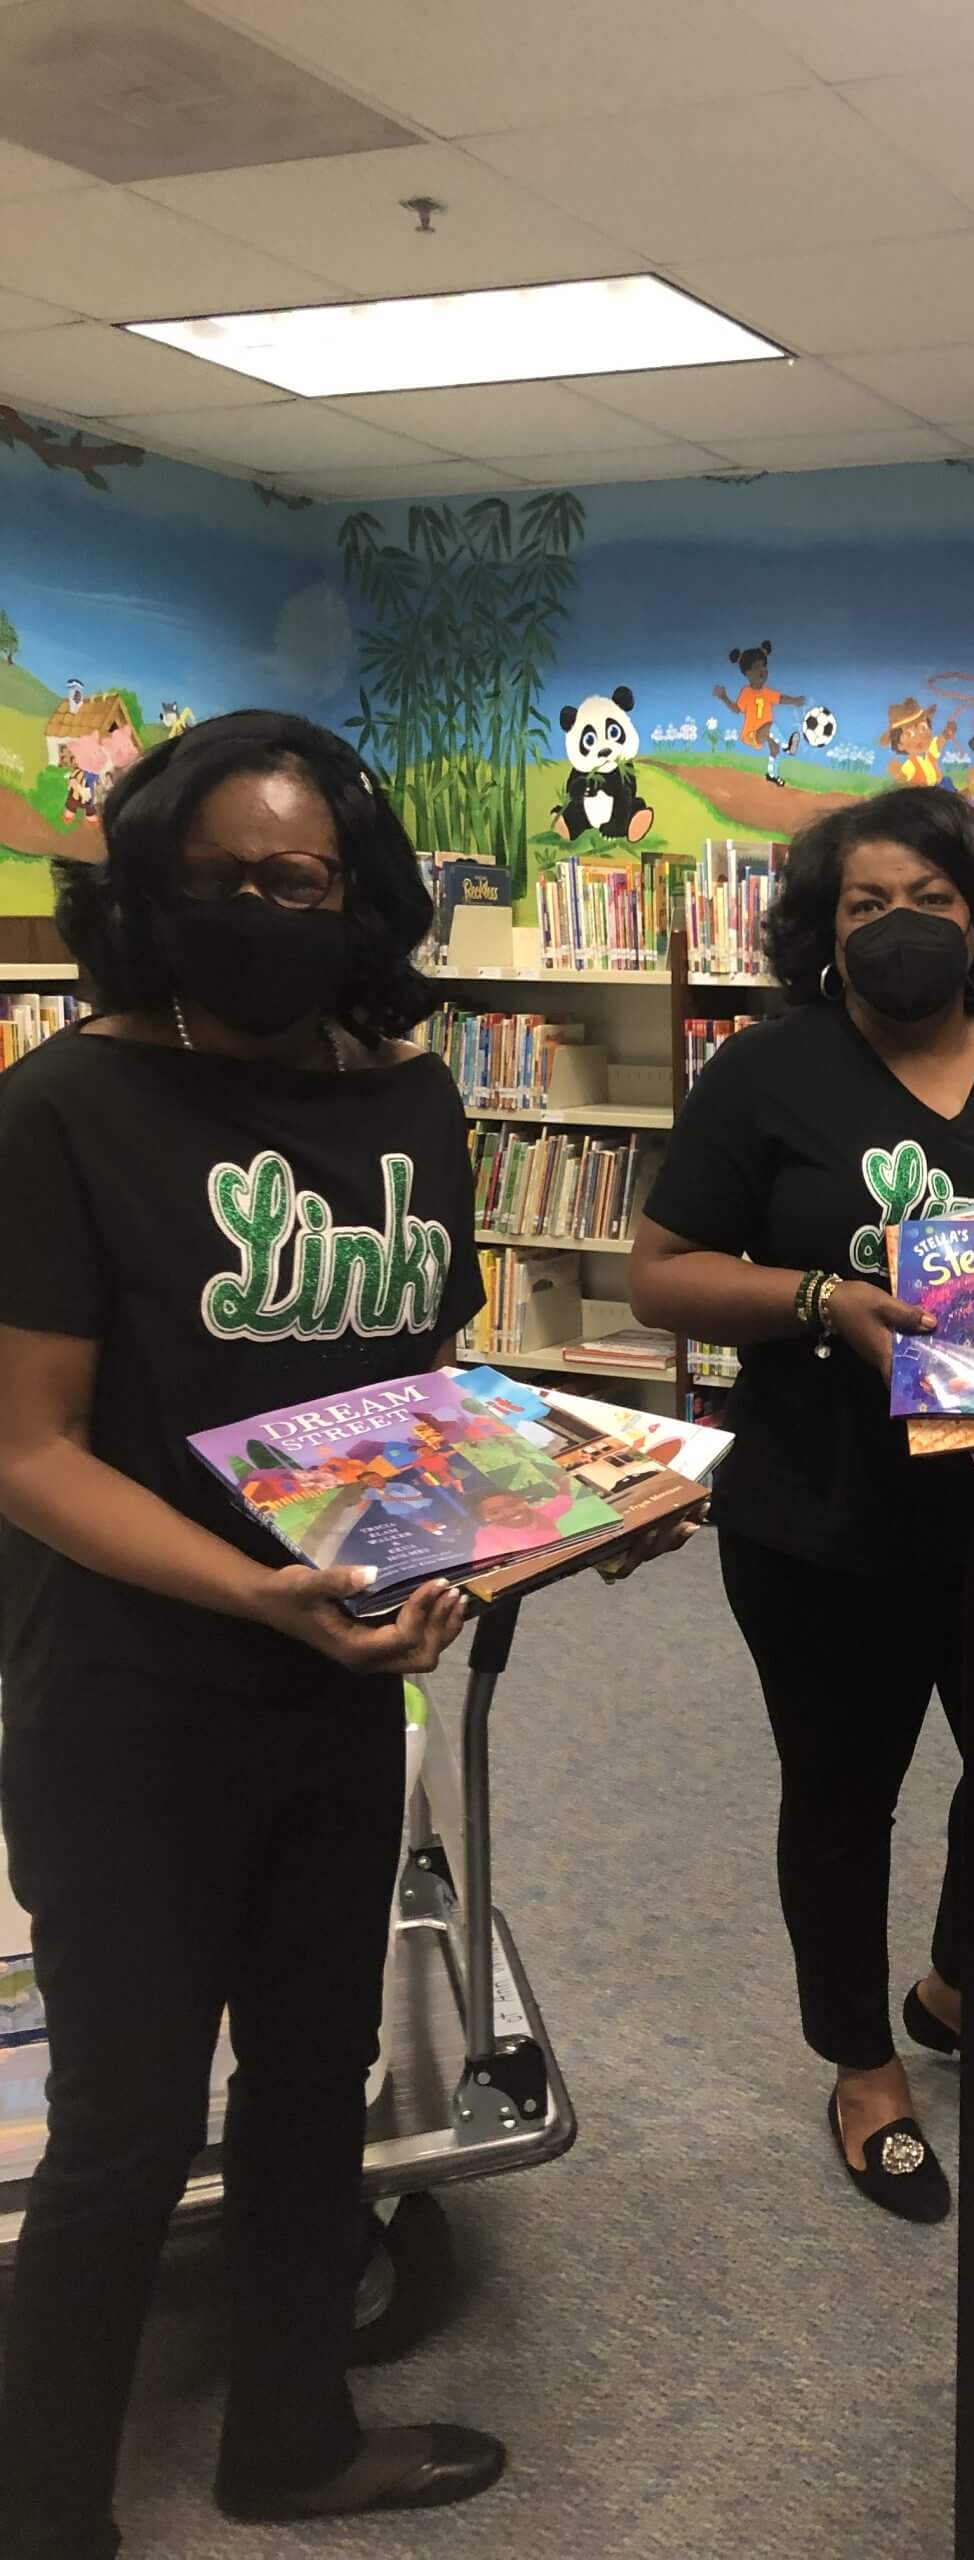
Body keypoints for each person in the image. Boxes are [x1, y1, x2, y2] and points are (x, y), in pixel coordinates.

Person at [0, 711, 690, 2557]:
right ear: (144, 896)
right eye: (211, 880)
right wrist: (254, 1592)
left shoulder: (410, 1100)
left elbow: (422, 1399)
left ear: (360, 897)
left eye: (295, 880)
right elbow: (28, 1452)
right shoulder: (61, 1111)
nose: (252, 911)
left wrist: (565, 1510)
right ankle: (45, 2514)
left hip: (342, 1693)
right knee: (128, 2127)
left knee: (318, 2077)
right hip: (132, 1701)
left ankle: (292, 2442)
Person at [629, 786, 974, 2223]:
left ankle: (956, 1985)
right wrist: (816, 1300)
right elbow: (660, 1273)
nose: (900, 926)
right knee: (845, 1797)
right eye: (865, 905)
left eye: (930, 900)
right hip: (822, 1514)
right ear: (820, 931)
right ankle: (861, 2065)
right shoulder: (763, 1073)